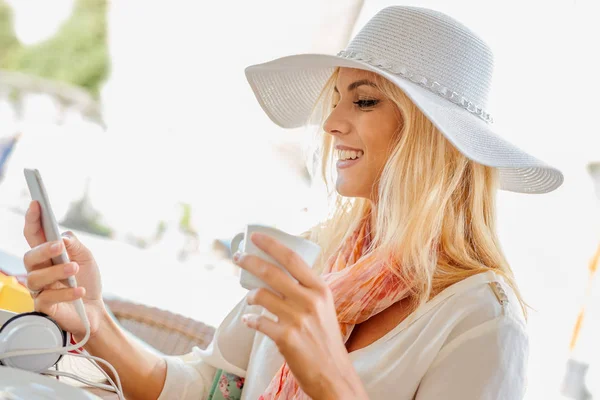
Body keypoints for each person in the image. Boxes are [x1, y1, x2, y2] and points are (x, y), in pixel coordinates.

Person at [22, 6, 563, 400]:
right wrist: (92, 317)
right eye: (334, 100)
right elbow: (211, 388)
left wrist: (328, 373)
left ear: (434, 136)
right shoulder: (322, 252)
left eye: (365, 100)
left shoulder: (482, 319)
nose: (330, 124)